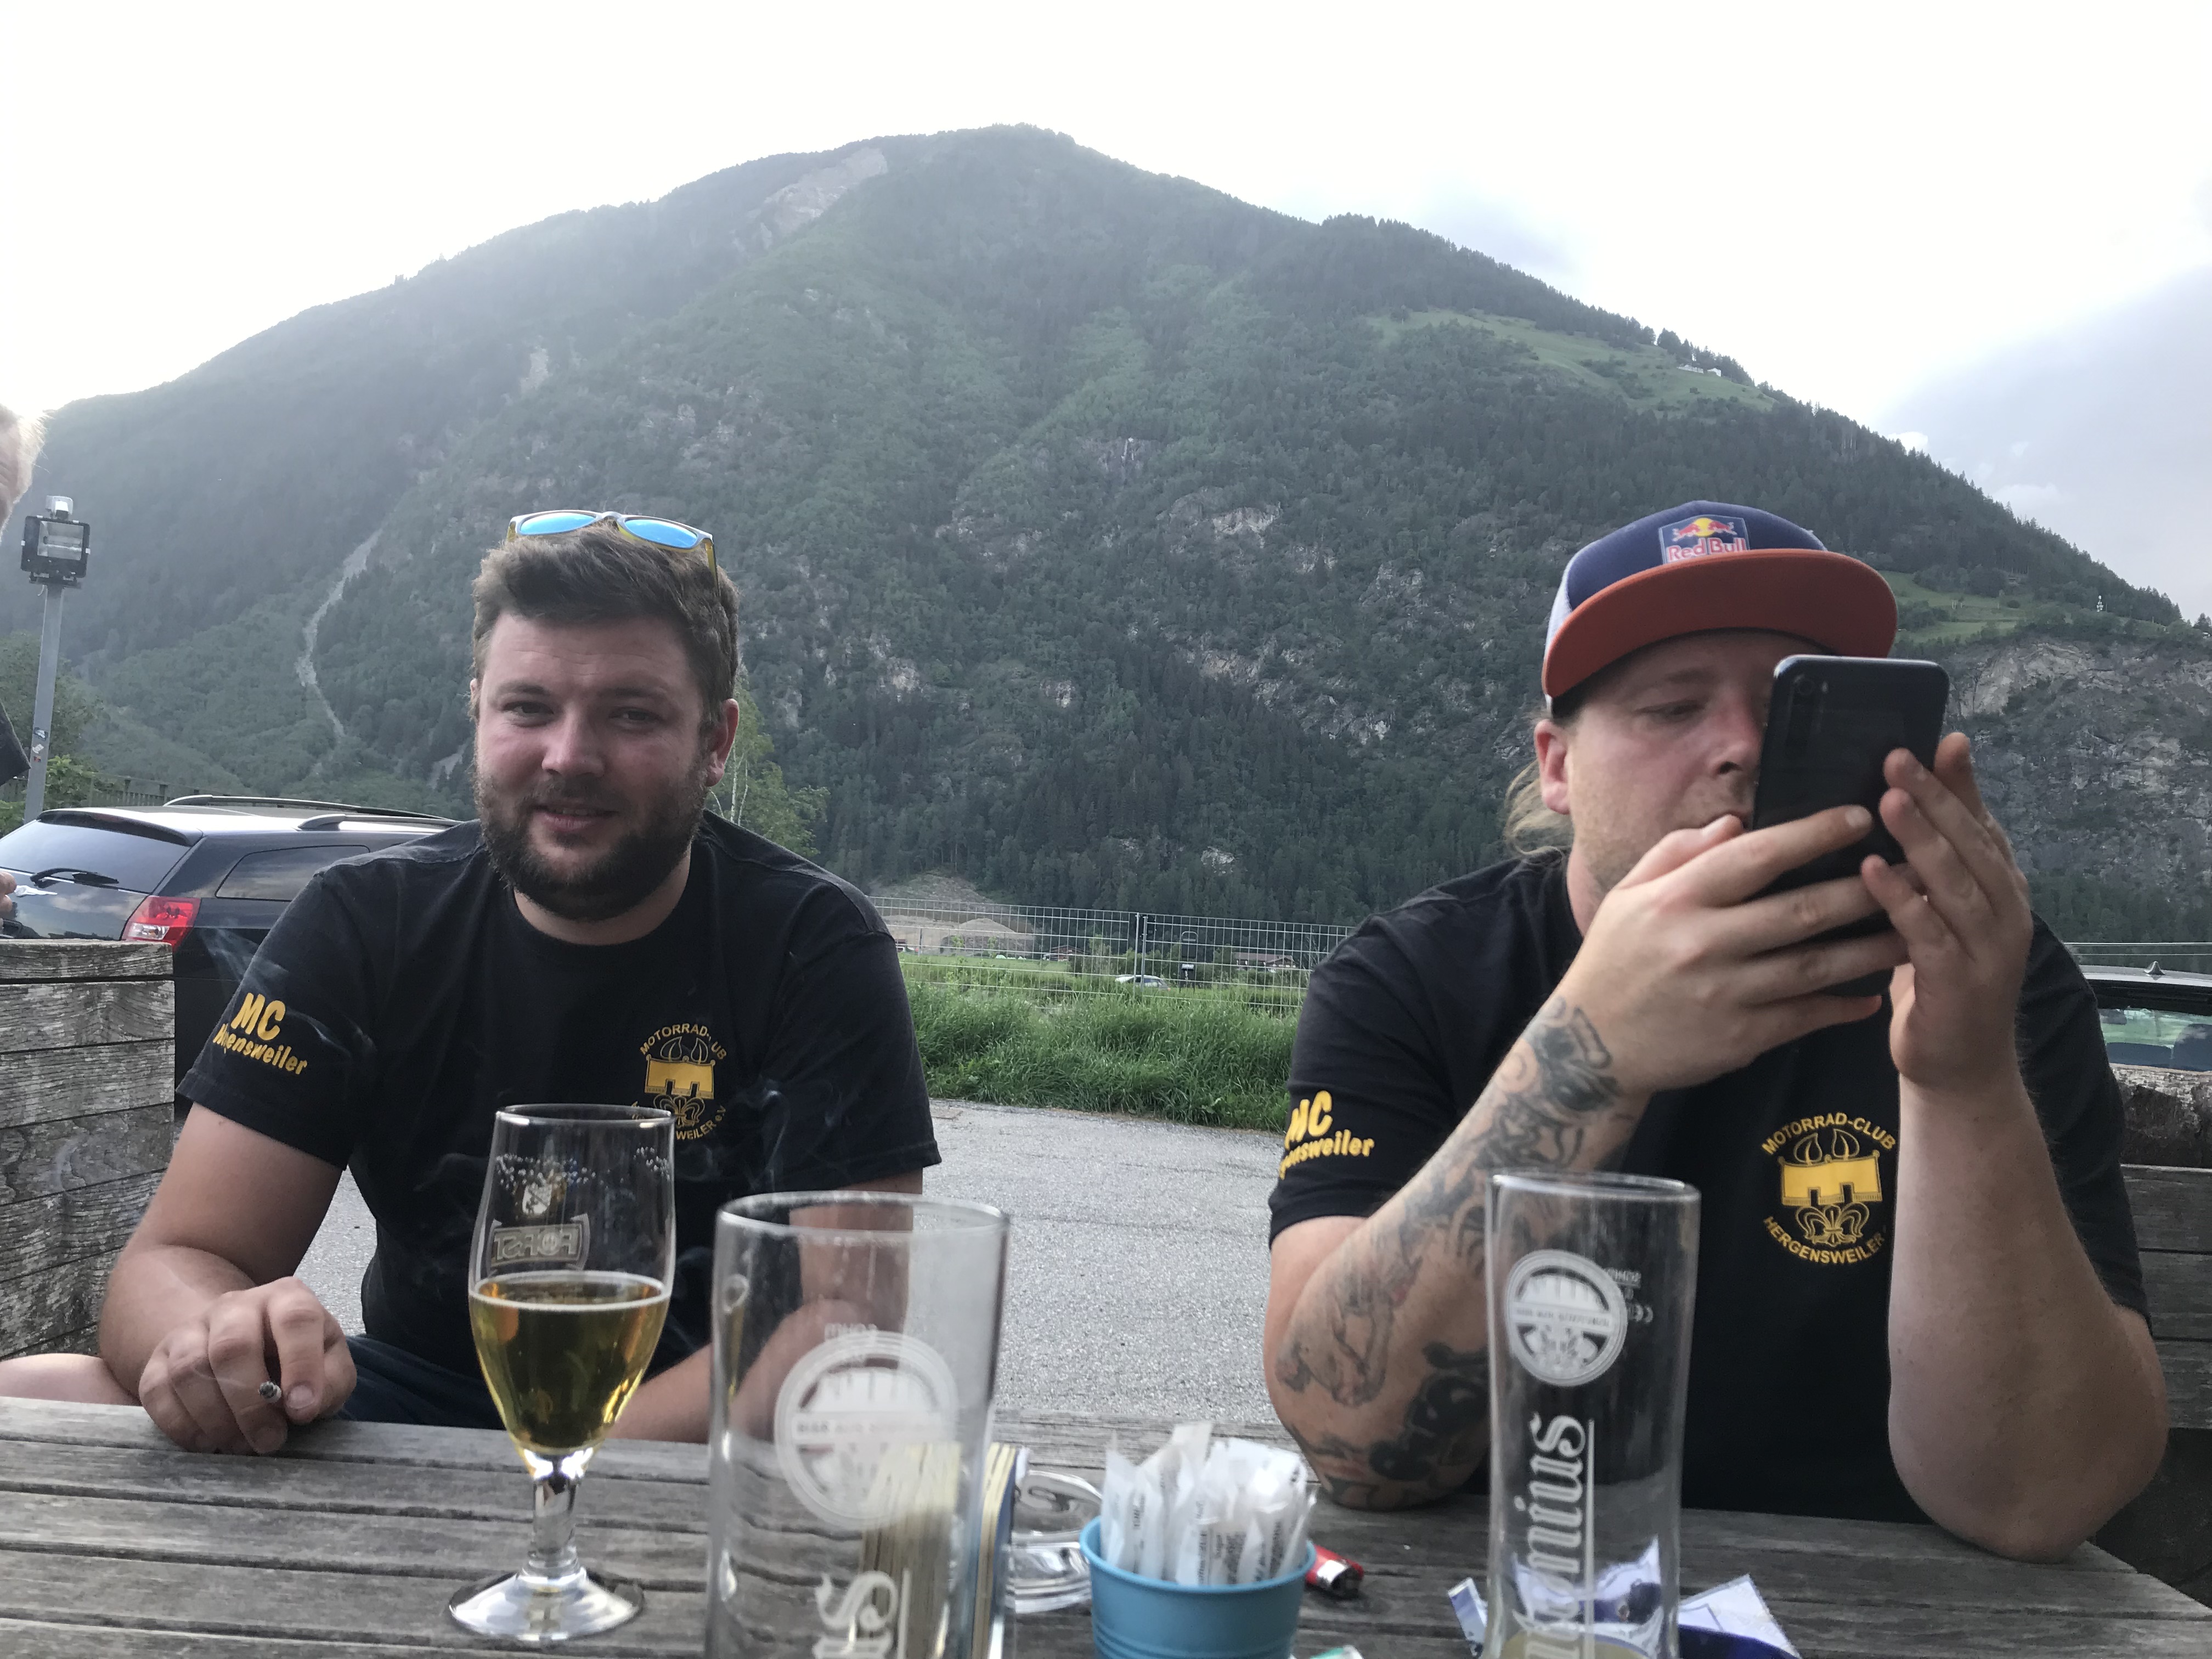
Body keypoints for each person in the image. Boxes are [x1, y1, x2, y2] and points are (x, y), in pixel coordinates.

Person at [1262, 501, 2166, 1561]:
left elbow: (2039, 1500)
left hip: (1892, 1606)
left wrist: (1964, 1082)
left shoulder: (1979, 973)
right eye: (1673, 707)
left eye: (1794, 704)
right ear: (1557, 767)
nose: (1741, 746)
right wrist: (1587, 1054)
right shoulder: (1412, 979)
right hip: (1524, 1590)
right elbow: (1351, 1439)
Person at [0, 516, 939, 1452]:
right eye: (529, 708)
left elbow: (840, 1318)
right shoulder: (365, 923)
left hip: (697, 1438)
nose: (569, 756)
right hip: (419, 1410)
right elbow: (179, 1259)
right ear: (479, 712)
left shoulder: (814, 944)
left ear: (715, 740)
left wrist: (548, 1483)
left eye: (633, 714)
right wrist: (221, 1340)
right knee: (44, 1392)